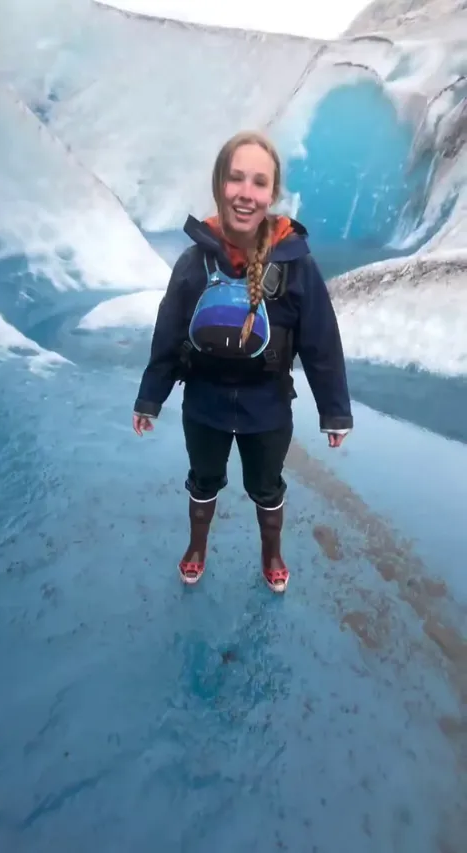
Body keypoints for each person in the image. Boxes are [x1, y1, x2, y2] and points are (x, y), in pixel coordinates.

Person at [133, 130, 353, 593]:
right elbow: (169, 334)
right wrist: (150, 397)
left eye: (258, 182)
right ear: (219, 185)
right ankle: (197, 546)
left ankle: (271, 552)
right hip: (205, 403)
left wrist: (334, 409)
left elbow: (320, 341)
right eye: (236, 179)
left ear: (271, 194)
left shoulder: (296, 264)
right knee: (203, 478)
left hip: (267, 407)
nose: (246, 193)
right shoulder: (194, 262)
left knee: (266, 485)